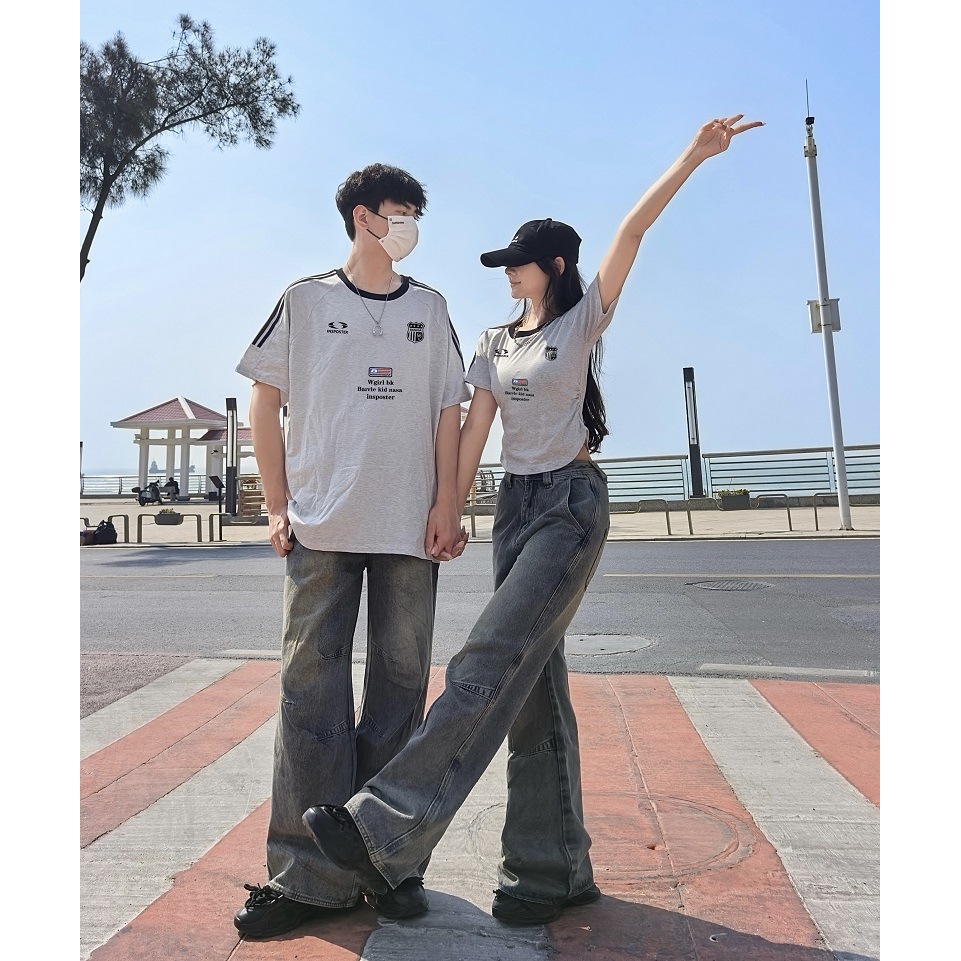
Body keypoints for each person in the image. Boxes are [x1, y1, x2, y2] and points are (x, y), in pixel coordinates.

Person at [301, 116, 763, 925]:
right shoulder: (490, 340)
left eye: (517, 261)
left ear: (552, 265)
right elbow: (472, 430)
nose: (506, 272)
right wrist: (449, 507)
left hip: (568, 506)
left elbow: (630, 231)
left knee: (485, 660)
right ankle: (549, 871)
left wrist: (692, 156)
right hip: (513, 509)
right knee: (532, 692)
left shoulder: (579, 322)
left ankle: (382, 824)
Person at [232, 163, 471, 938]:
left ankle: (388, 861)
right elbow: (264, 401)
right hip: (322, 527)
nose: (410, 226)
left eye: (414, 214)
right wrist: (276, 504)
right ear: (364, 216)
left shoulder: (430, 308)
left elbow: (448, 410)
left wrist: (447, 504)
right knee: (310, 695)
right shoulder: (304, 300)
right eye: (401, 211)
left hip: (409, 530)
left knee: (400, 691)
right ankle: (304, 875)